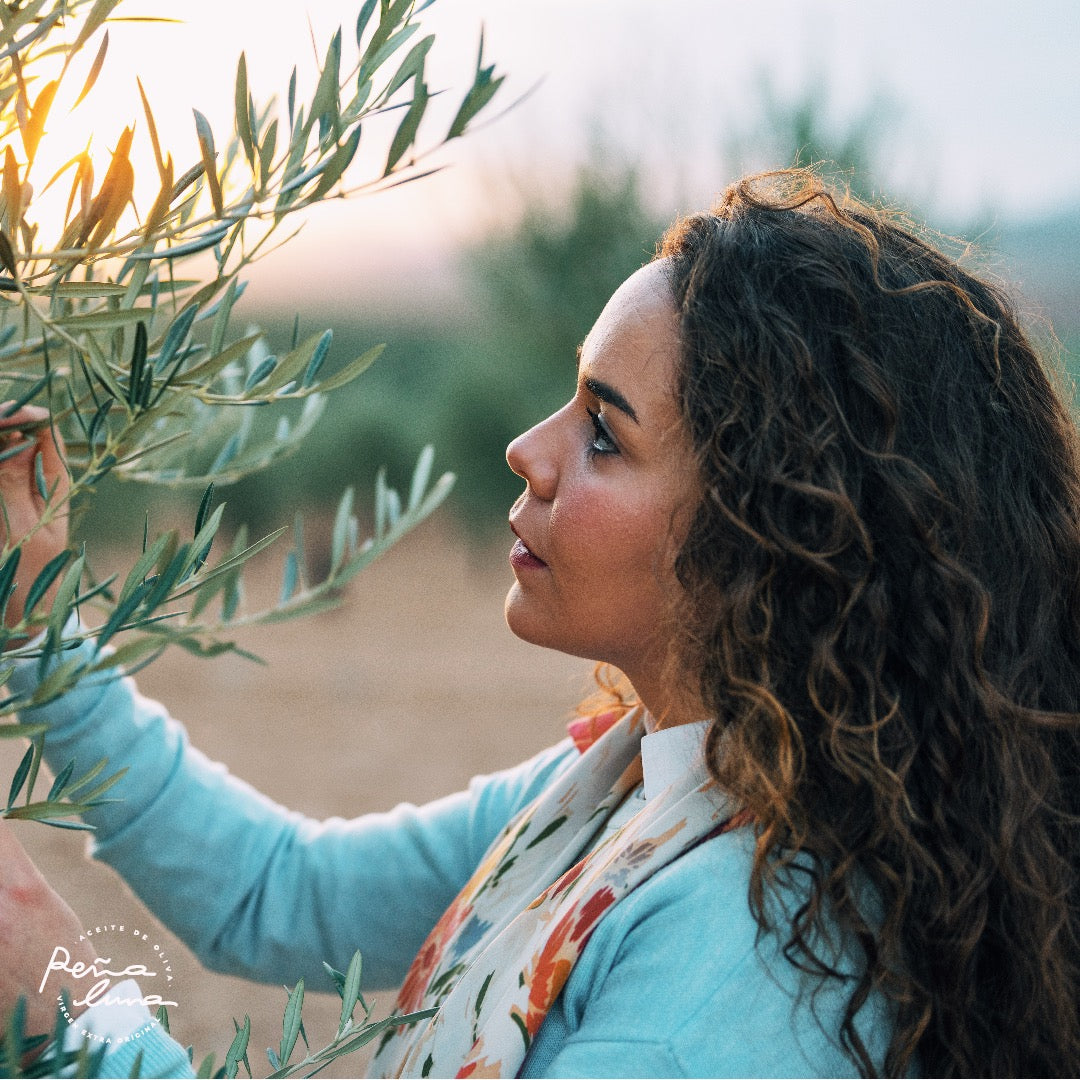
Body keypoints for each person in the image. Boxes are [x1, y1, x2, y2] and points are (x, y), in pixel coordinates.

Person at [2, 167, 1080, 1078]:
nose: (528, 448)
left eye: (604, 436)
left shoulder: (751, 963)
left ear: (771, 536)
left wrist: (73, 1007)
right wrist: (41, 618)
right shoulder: (628, 788)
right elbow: (274, 890)